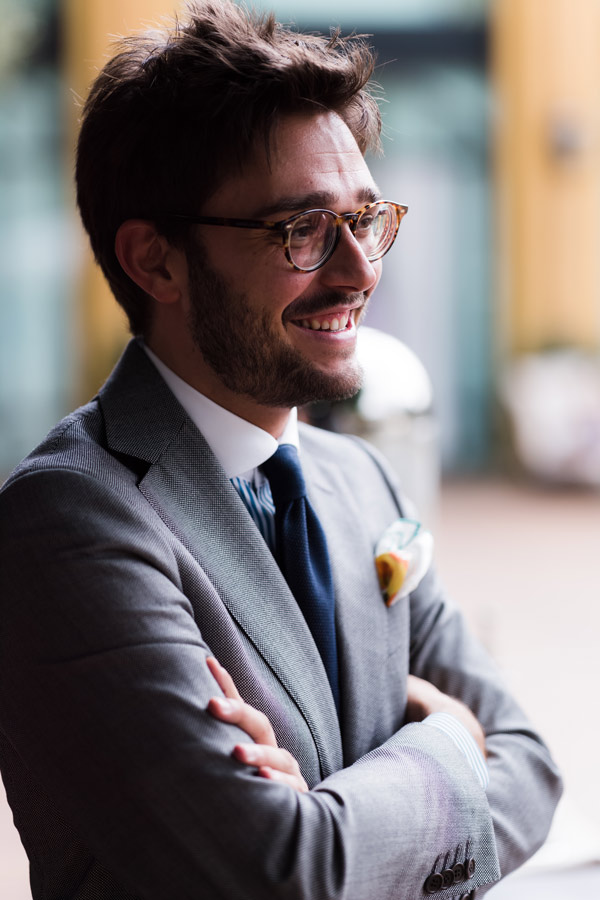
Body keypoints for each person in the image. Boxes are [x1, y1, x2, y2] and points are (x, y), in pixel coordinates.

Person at [0, 2, 561, 899]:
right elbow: (281, 872)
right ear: (157, 261)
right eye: (301, 229)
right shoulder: (68, 519)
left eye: (365, 217)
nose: (360, 270)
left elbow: (533, 768)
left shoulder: (362, 480)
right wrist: (450, 738)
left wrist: (332, 816)